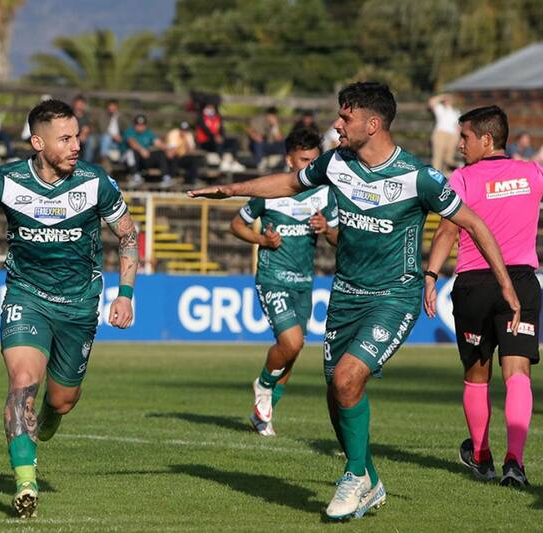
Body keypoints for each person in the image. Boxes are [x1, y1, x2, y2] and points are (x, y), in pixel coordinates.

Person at [188, 82, 520, 520]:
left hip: (393, 297)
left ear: (373, 123)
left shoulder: (419, 177)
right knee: (337, 391)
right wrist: (231, 190)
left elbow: (474, 224)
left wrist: (509, 287)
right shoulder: (335, 163)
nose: (337, 125)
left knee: (347, 380)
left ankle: (353, 475)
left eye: (345, 118)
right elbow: (289, 182)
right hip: (344, 297)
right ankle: (368, 480)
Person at [0, 99, 138, 519]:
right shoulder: (8, 179)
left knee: (62, 400)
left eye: (77, 136)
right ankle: (25, 483)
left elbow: (129, 236)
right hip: (26, 297)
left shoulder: (95, 182)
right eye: (66, 138)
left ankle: (48, 417)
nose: (76, 145)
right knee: (23, 382)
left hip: (80, 305)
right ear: (38, 142)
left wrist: (126, 293)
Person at [424, 105, 543, 487]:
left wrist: (430, 275)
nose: (460, 145)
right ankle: (515, 462)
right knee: (518, 373)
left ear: (486, 139)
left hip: (475, 284)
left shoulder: (462, 179)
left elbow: (445, 231)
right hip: (521, 281)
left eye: (465, 137)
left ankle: (481, 455)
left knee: (478, 375)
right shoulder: (532, 174)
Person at [231, 127, 338, 436]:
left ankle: (263, 416)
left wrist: (326, 228)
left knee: (292, 351)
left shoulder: (324, 193)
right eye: (304, 160)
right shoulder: (269, 190)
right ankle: (263, 385)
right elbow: (237, 225)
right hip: (273, 277)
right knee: (291, 342)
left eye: (315, 160)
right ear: (289, 160)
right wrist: (261, 238)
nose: (310, 166)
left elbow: (336, 239)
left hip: (304, 282)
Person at [123, 114, 172, 188]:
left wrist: (167, 149)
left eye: (142, 125)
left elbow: (157, 142)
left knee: (160, 153)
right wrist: (142, 150)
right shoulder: (130, 131)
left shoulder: (148, 133)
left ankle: (166, 177)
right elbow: (132, 143)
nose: (140, 127)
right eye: (138, 124)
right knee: (132, 152)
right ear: (135, 125)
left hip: (143, 158)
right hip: (128, 158)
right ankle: (135, 176)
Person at [195, 102, 245, 173]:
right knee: (217, 141)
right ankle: (222, 161)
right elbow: (206, 130)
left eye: (212, 107)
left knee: (234, 141)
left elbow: (221, 130)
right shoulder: (201, 117)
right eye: (209, 107)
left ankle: (235, 162)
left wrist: (221, 137)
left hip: (217, 140)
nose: (211, 109)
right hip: (205, 142)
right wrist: (215, 137)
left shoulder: (217, 117)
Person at [428, 93, 461, 173]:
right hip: (441, 134)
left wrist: (459, 138)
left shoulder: (456, 111)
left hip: (453, 135)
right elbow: (431, 102)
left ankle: (447, 176)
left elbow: (458, 126)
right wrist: (442, 97)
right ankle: (435, 176)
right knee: (438, 157)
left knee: (449, 158)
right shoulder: (440, 108)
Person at [164, 121, 203, 186]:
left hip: (182, 156)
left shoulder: (188, 135)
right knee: (174, 157)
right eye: (182, 130)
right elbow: (172, 151)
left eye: (185, 130)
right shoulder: (173, 134)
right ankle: (170, 178)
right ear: (179, 129)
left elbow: (192, 150)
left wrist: (186, 142)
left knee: (193, 159)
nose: (184, 132)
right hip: (173, 156)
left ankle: (192, 180)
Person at [246, 106, 285, 170]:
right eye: (270, 115)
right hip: (257, 143)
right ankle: (259, 164)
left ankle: (283, 165)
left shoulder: (276, 123)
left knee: (284, 144)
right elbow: (248, 129)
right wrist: (255, 136)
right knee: (259, 144)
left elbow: (279, 139)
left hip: (269, 145)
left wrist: (275, 126)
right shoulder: (258, 120)